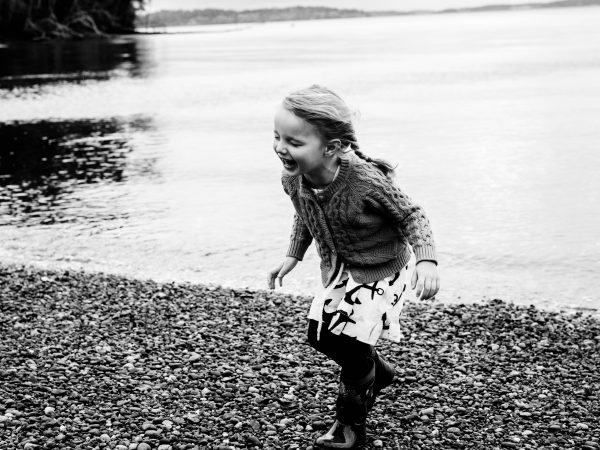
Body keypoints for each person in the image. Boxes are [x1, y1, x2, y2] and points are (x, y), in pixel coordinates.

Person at [268, 85, 440, 449]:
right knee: (319, 335)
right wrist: (293, 255)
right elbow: (306, 215)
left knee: (349, 345)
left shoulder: (364, 181)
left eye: (294, 142)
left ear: (330, 147)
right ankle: (375, 371)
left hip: (383, 269)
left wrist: (427, 259)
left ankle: (349, 427)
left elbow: (412, 214)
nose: (281, 147)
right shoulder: (293, 178)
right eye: (277, 136)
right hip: (341, 268)